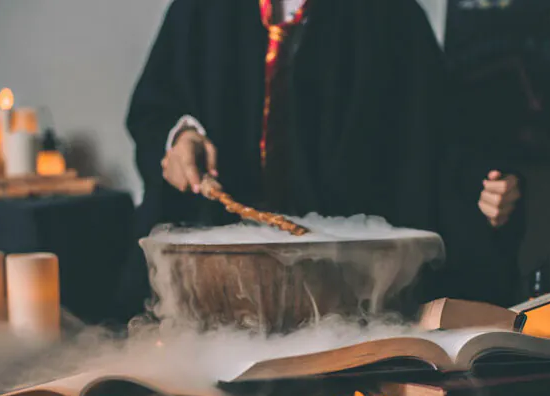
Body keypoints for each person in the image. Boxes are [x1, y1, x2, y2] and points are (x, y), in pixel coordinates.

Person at [119, 0, 524, 320]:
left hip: (347, 286)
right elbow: (155, 109)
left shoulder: (389, 14)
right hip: (221, 284)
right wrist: (179, 137)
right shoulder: (201, 10)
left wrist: (480, 193)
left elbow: (438, 136)